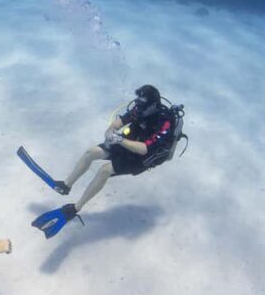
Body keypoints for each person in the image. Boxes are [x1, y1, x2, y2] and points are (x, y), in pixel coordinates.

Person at [26, 85, 185, 238]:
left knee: (105, 170)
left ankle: (75, 208)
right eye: (138, 103)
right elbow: (118, 123)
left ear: (153, 105)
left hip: (142, 158)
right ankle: (65, 185)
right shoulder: (139, 109)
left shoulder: (165, 122)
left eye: (143, 105)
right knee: (90, 152)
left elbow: (144, 149)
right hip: (127, 143)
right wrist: (110, 132)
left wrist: (119, 139)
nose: (139, 108)